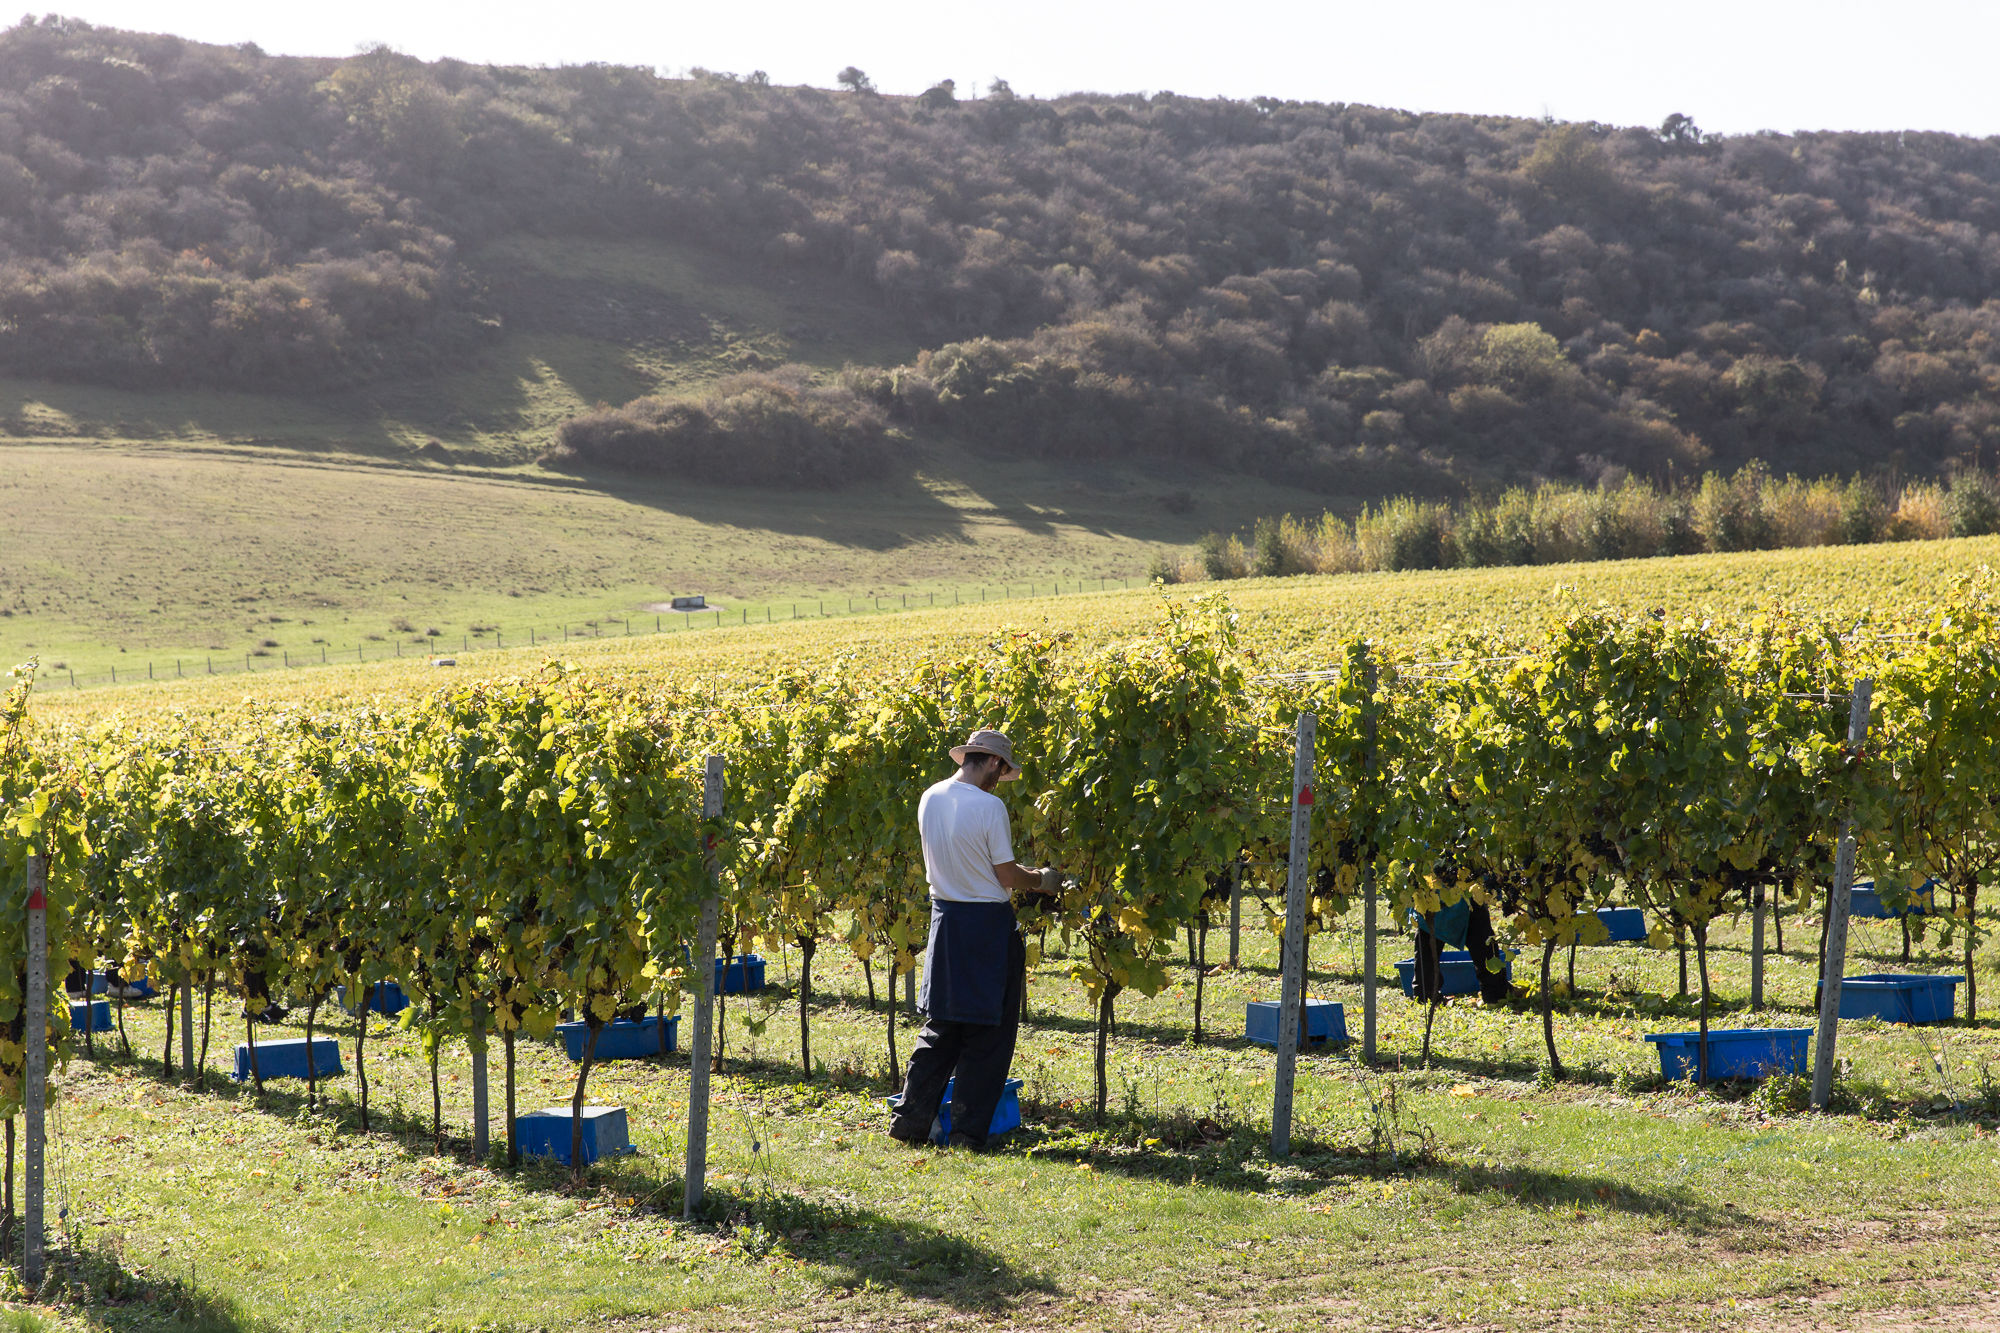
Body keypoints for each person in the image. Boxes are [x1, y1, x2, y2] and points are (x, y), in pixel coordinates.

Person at [888, 728, 1056, 1150]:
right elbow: (1005, 876)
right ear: (994, 762)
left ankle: (910, 1122)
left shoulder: (931, 796)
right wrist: (1041, 880)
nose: (1000, 779)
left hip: (945, 921)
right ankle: (966, 1134)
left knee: (941, 1026)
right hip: (987, 926)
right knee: (989, 1034)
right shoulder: (989, 807)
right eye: (1002, 770)